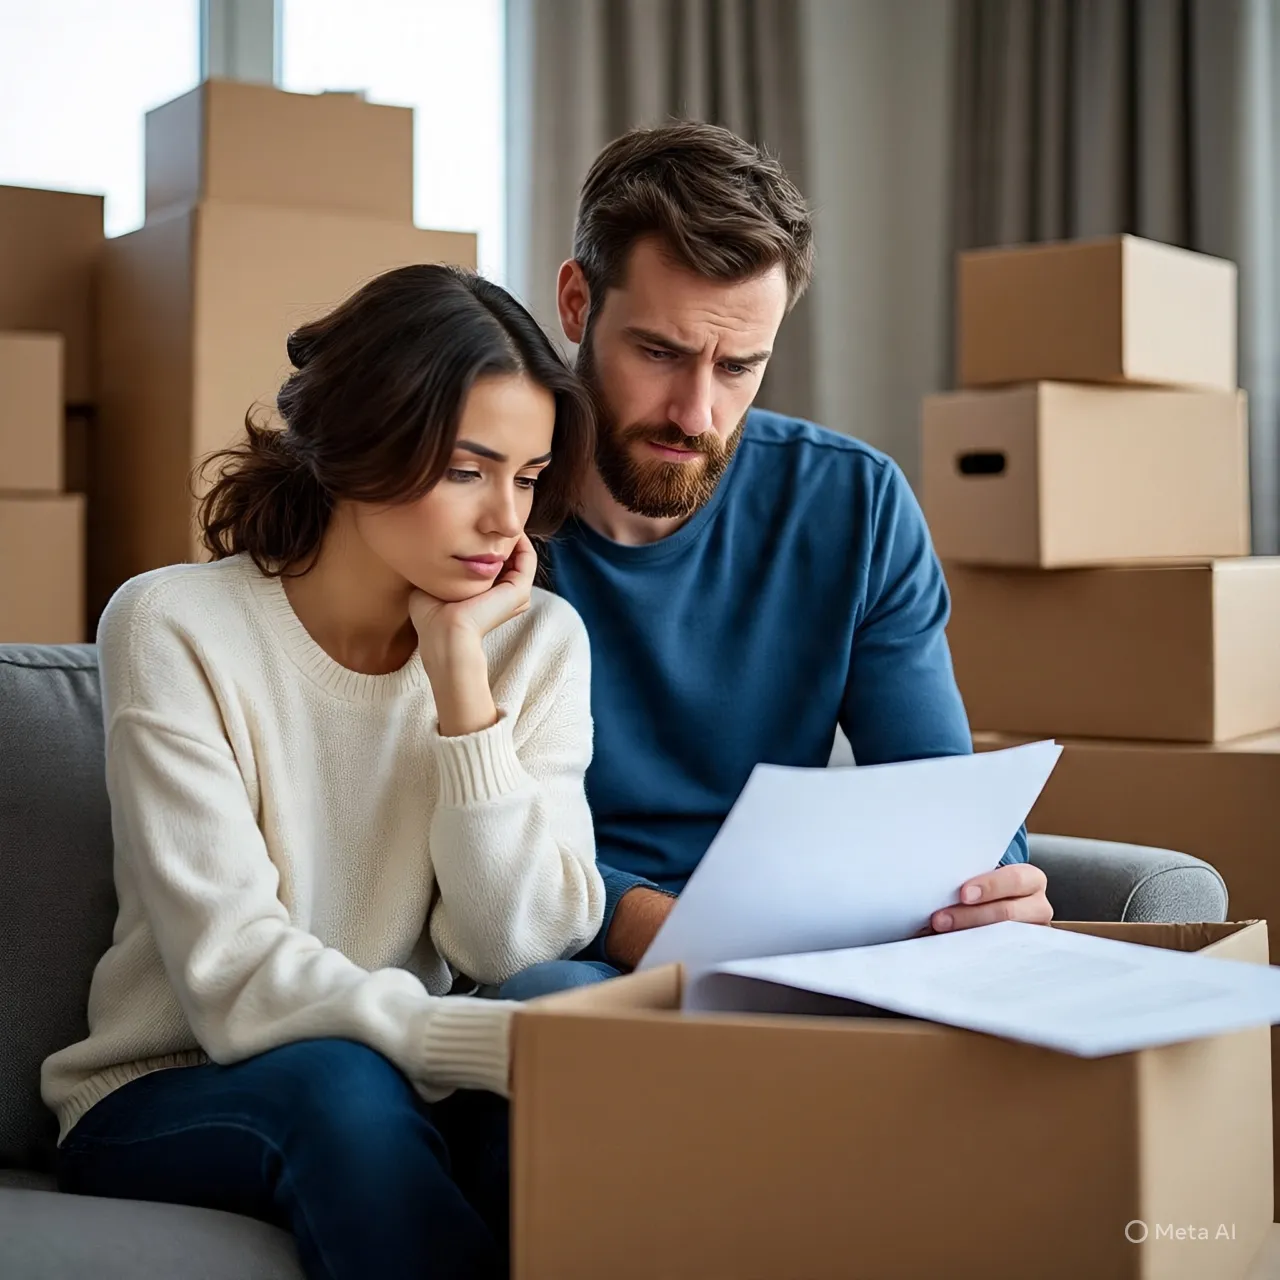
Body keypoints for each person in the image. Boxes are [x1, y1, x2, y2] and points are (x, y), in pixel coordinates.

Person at [41, 264, 607, 1280]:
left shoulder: (537, 642)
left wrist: (460, 688)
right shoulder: (175, 624)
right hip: (176, 1080)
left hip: (402, 1059)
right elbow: (232, 974)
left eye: (526, 477)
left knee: (568, 999)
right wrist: (456, 1038)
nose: (503, 522)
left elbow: (508, 940)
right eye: (467, 469)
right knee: (344, 1088)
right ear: (359, 444)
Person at [534, 121, 1052, 980]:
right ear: (578, 304)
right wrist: (675, 931)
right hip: (569, 933)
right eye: (660, 353)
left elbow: (932, 787)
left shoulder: (854, 503)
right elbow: (474, 836)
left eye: (738, 367)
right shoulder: (487, 507)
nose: (696, 414)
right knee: (545, 1002)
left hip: (798, 944)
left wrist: (989, 878)